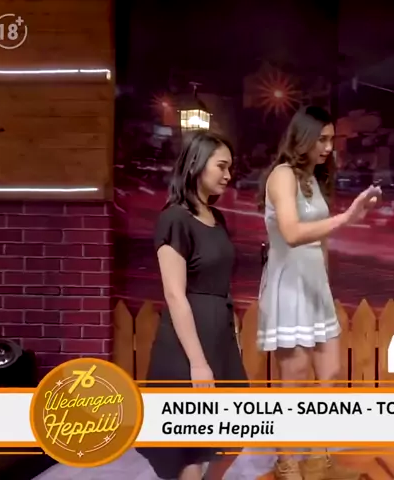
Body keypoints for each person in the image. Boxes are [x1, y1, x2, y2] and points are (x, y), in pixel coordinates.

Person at [258, 106, 380, 480]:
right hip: (289, 285)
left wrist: (325, 282)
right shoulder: (282, 175)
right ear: (303, 137)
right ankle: (286, 460)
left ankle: (316, 455)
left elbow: (319, 239)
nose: (328, 147)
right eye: (322, 139)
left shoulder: (313, 178)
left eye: (331, 140)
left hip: (315, 286)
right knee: (293, 378)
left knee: (330, 372)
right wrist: (346, 218)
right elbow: (292, 233)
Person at [137, 131, 246, 480]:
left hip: (220, 338)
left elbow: (221, 283)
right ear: (197, 164)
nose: (228, 175)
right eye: (221, 166)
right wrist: (198, 363)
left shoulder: (218, 218)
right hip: (187, 345)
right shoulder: (174, 219)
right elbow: (174, 294)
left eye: (230, 168)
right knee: (190, 449)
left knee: (234, 433)